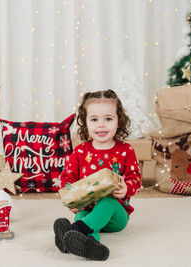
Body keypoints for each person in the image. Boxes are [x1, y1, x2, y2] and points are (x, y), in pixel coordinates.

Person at [53, 89, 141, 261]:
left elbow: (135, 178)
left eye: (108, 119)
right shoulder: (80, 151)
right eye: (94, 119)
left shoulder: (126, 150)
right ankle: (91, 245)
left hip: (116, 215)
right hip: (88, 211)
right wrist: (71, 199)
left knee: (107, 201)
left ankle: (74, 231)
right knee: (81, 216)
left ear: (118, 121)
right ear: (85, 122)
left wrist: (126, 188)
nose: (101, 125)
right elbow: (68, 178)